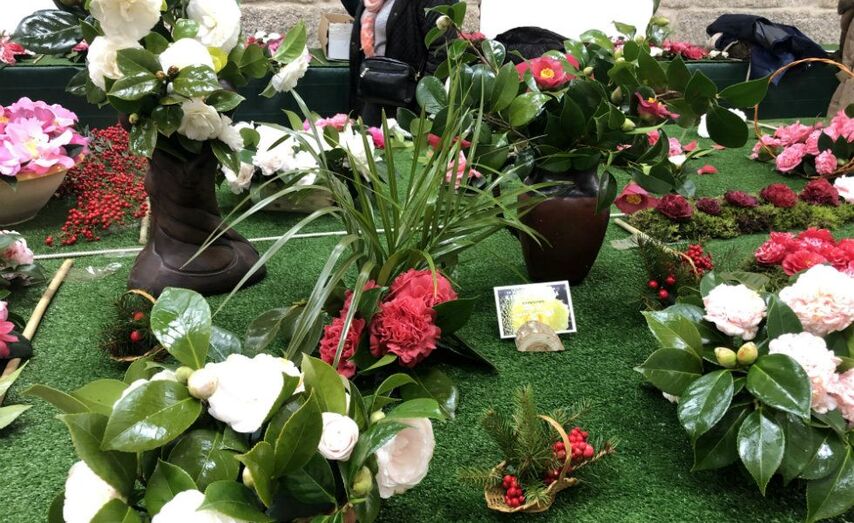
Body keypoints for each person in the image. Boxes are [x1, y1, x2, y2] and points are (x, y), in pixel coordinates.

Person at [340, 0, 458, 125]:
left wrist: (424, 101)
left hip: (406, 104)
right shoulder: (370, 2)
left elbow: (442, 51)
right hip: (373, 93)